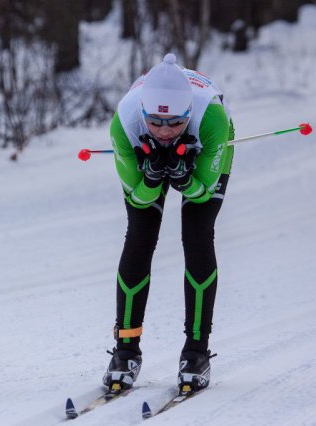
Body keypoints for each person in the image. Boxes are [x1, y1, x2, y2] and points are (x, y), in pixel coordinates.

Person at [102, 53, 234, 394]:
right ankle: (126, 350)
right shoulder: (126, 121)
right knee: (140, 236)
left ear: (188, 113)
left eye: (175, 123)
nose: (164, 131)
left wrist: (185, 177)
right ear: (143, 113)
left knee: (197, 235)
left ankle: (196, 352)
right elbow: (137, 199)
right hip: (140, 151)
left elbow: (202, 194)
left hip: (205, 147)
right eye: (155, 123)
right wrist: (150, 177)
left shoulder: (211, 119)